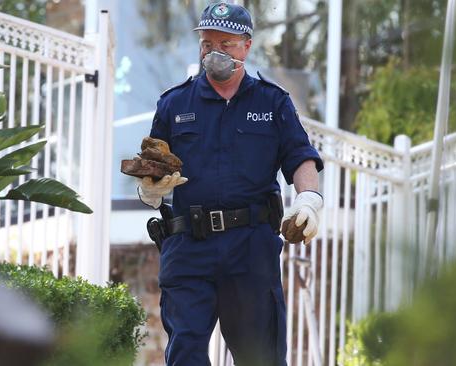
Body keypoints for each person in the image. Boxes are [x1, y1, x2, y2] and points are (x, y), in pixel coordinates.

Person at [137, 2, 324, 365]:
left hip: (250, 248)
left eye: (226, 44)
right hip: (189, 245)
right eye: (207, 44)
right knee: (186, 354)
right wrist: (148, 189)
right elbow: (152, 164)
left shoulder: (273, 103)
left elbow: (300, 157)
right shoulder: (174, 105)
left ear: (247, 45)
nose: (215, 53)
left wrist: (309, 199)